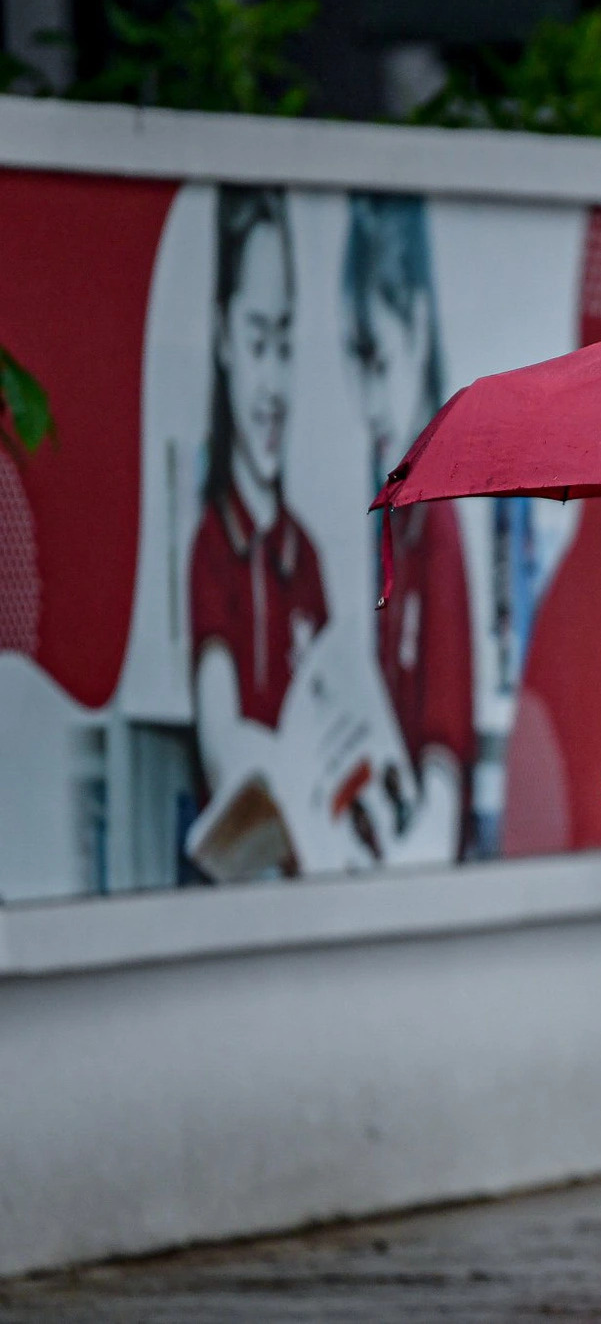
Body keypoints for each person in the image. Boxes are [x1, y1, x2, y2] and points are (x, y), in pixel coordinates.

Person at [188, 185, 331, 871]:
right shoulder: (211, 549)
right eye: (256, 341)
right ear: (222, 339)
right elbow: (225, 754)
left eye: (285, 341)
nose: (273, 383)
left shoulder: (306, 556)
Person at [342, 192, 475, 863]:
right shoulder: (390, 515)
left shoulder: (436, 525)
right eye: (354, 361)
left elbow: (444, 761)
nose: (368, 403)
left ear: (418, 328)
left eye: (378, 359)